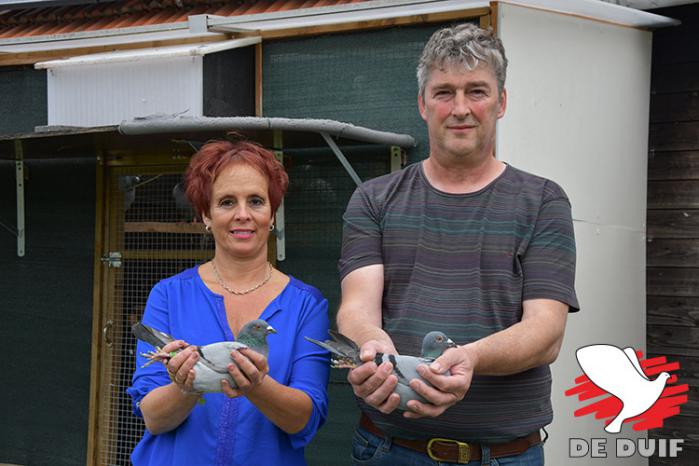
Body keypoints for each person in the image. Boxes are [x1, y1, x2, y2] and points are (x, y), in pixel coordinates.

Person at [337, 23, 579, 465]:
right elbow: (357, 307)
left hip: (503, 455)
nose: (460, 108)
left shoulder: (543, 200)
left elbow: (546, 333)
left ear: (501, 102)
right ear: (422, 104)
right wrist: (372, 346)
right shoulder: (374, 199)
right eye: (444, 92)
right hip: (389, 449)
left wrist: (467, 358)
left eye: (477, 91)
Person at [127, 139, 330, 466]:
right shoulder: (168, 295)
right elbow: (153, 417)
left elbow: (304, 420)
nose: (242, 215)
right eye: (226, 202)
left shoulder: (307, 305)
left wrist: (257, 386)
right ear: (206, 214)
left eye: (256, 201)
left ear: (272, 213)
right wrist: (186, 386)